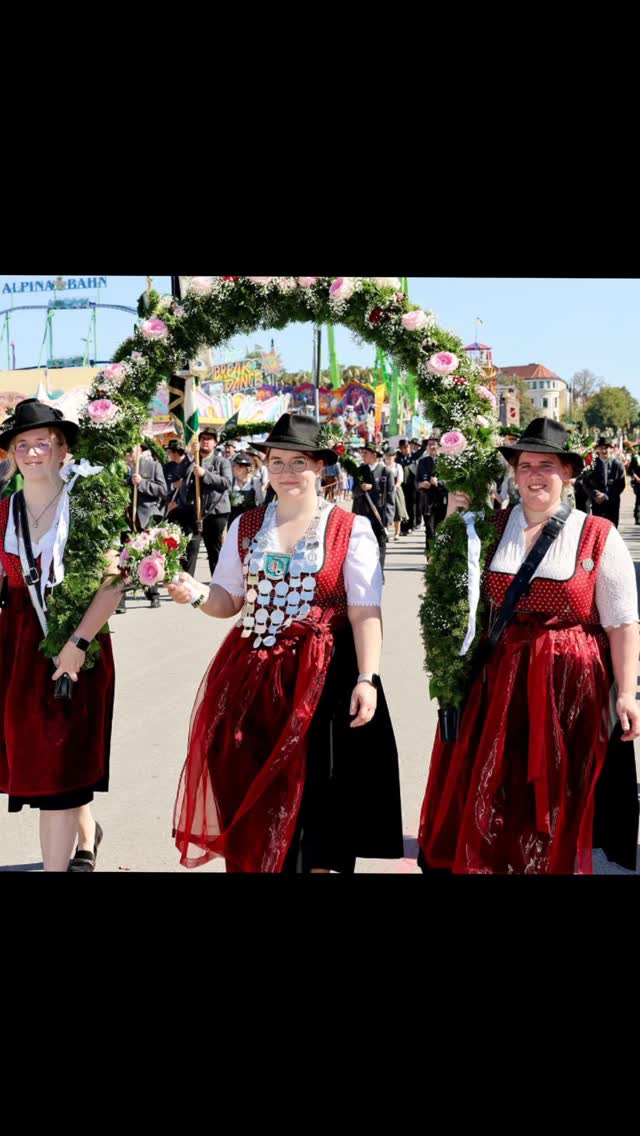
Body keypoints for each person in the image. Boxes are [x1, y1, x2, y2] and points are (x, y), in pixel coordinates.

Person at [167, 413, 403, 873]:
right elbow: (228, 600)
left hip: (325, 678)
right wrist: (193, 593)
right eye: (277, 462)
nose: (286, 472)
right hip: (253, 675)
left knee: (320, 802)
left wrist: (367, 678)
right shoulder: (247, 525)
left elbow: (364, 611)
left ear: (320, 467)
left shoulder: (350, 529)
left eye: (299, 462)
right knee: (250, 790)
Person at [418, 418, 640, 875]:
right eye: (525, 466)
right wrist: (455, 518)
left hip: (569, 690)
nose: (535, 475)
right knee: (498, 788)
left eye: (546, 466)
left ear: (568, 473)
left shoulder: (598, 534)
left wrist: (626, 692)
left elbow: (621, 622)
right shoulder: (491, 528)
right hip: (499, 682)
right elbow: (449, 590)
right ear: (514, 474)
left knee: (560, 792)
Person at [0, 398, 123, 872]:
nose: (32, 453)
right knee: (47, 760)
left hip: (79, 640)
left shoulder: (86, 505)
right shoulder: (3, 512)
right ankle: (87, 835)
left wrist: (78, 644)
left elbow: (113, 580)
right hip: (17, 647)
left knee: (63, 762)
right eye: (22, 445)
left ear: (62, 450)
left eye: (42, 444)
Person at [125, 444, 168, 608]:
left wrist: (142, 483)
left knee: (148, 558)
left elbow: (163, 490)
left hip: (146, 518)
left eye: (132, 450)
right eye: (126, 451)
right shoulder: (120, 469)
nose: (129, 454)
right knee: (124, 558)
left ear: (140, 450)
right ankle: (120, 601)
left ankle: (153, 593)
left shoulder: (153, 466)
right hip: (126, 519)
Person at [352, 442, 392, 577]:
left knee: (380, 543)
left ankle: (379, 573)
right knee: (362, 545)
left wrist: (389, 516)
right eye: (362, 453)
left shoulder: (385, 471)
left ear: (374, 455)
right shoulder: (360, 470)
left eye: (366, 453)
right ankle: (365, 573)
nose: (363, 455)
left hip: (379, 514)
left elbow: (390, 495)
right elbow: (354, 491)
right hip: (362, 513)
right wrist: (361, 488)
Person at [416, 438, 447, 554]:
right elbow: (416, 481)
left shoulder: (445, 461)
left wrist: (438, 483)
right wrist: (420, 484)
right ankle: (430, 554)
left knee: (441, 528)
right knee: (429, 529)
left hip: (442, 500)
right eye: (429, 445)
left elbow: (451, 482)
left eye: (433, 444)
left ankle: (440, 554)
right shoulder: (423, 462)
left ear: (439, 446)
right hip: (427, 500)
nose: (431, 447)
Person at [589, 437, 626, 528]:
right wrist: (594, 494)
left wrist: (607, 496)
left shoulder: (617, 464)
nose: (604, 450)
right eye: (601, 448)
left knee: (612, 529)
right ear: (597, 449)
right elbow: (585, 482)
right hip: (597, 502)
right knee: (598, 529)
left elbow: (621, 484)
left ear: (611, 449)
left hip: (612, 502)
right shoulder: (592, 464)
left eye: (606, 448)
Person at [228, 452, 265, 525]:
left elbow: (261, 502)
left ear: (245, 468)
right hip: (233, 519)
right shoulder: (232, 481)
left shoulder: (255, 481)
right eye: (233, 466)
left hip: (250, 519)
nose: (233, 468)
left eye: (236, 466)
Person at [629, 446, 640, 524]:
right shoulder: (636, 458)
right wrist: (636, 477)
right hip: (638, 482)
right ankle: (637, 517)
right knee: (639, 499)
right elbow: (630, 470)